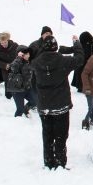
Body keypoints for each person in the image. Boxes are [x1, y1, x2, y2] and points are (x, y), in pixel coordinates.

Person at [31, 35, 84, 169]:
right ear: (55, 47)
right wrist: (76, 43)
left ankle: (48, 162)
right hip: (61, 105)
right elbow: (80, 58)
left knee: (47, 135)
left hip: (44, 104)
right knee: (61, 135)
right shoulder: (63, 61)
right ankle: (60, 162)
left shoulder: (36, 62)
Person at [5, 46, 36, 117]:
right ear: (21, 54)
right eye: (26, 54)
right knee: (20, 109)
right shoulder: (17, 62)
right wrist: (19, 58)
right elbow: (13, 68)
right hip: (17, 90)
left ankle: (26, 109)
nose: (28, 55)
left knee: (34, 102)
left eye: (28, 53)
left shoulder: (29, 61)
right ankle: (17, 123)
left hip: (27, 87)